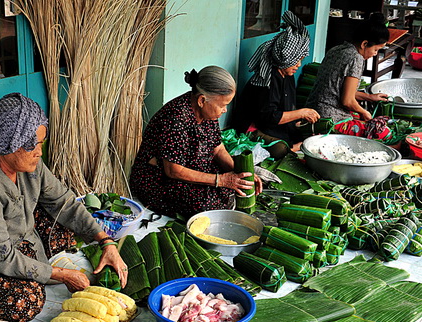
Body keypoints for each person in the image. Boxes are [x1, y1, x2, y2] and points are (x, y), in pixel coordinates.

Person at [0, 93, 128, 322]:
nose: (39, 152)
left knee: (63, 222)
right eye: (34, 145)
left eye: (41, 143)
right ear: (10, 142)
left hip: (13, 242)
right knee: (26, 301)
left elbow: (63, 202)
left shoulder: (30, 164)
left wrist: (106, 242)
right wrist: (62, 275)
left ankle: (34, 268)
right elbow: (1, 258)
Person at [129, 66, 263, 218]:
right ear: (202, 100)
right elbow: (173, 170)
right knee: (206, 206)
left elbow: (217, 149)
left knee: (230, 186)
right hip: (159, 177)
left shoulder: (208, 113)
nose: (225, 110)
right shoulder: (175, 119)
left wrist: (241, 173)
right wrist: (222, 180)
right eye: (222, 105)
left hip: (192, 165)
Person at [232, 11, 320, 159]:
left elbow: (285, 110)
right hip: (253, 127)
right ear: (284, 59)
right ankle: (292, 149)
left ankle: (294, 146)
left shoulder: (287, 75)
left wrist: (300, 123)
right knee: (281, 149)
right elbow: (268, 118)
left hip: (271, 125)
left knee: (308, 136)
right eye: (296, 60)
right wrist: (301, 113)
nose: (298, 65)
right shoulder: (267, 79)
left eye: (301, 60)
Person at [305, 13, 390, 138]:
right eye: (376, 50)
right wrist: (364, 112)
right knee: (384, 133)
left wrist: (370, 97)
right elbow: (347, 101)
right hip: (327, 118)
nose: (375, 54)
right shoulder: (356, 58)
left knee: (360, 115)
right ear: (364, 44)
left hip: (314, 110)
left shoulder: (337, 49)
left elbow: (339, 90)